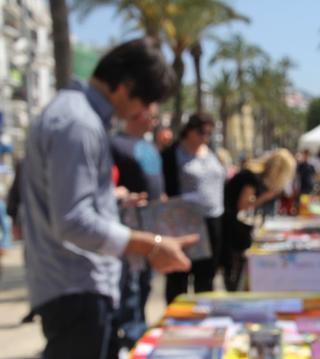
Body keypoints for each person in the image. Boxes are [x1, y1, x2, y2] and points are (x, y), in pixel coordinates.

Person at [21, 38, 198, 359]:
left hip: (74, 289)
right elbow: (73, 222)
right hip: (77, 291)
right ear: (124, 87)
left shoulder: (72, 114)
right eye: (145, 101)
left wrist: (110, 200)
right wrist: (152, 244)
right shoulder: (79, 124)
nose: (145, 112)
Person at [110, 103, 164, 349]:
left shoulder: (150, 146)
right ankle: (132, 336)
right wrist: (122, 198)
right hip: (129, 225)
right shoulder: (115, 145)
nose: (154, 120)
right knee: (130, 285)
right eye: (151, 115)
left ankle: (139, 333)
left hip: (151, 226)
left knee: (145, 283)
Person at [161, 113, 226, 303]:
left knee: (206, 275)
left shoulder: (211, 151)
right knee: (179, 274)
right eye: (202, 132)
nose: (206, 136)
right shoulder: (173, 154)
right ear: (189, 131)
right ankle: (175, 318)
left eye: (209, 133)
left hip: (212, 220)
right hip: (184, 221)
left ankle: (204, 317)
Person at [222, 149, 296, 291]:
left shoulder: (254, 175)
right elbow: (243, 205)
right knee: (235, 270)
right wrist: (265, 197)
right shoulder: (251, 178)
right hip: (232, 227)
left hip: (234, 225)